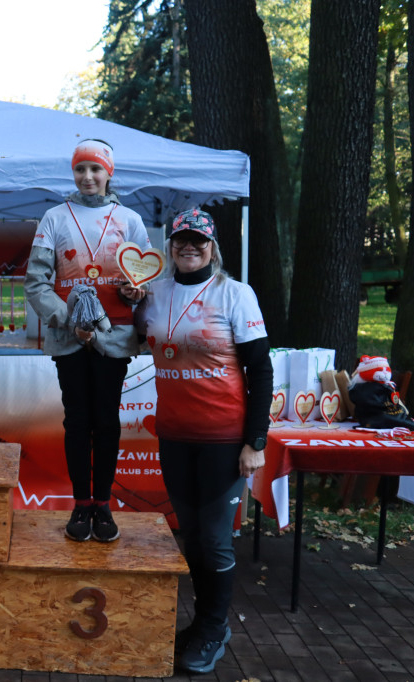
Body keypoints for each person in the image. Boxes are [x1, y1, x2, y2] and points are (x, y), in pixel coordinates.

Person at [134, 208, 271, 674]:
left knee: (213, 540)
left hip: (223, 438)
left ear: (213, 248)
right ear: (169, 246)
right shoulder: (154, 293)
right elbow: (134, 336)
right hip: (174, 435)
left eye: (199, 241)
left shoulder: (235, 294)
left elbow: (261, 370)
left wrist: (256, 440)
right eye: (180, 240)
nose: (189, 247)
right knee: (191, 536)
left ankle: (214, 627)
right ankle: (202, 623)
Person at [24, 139, 149, 543]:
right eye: (81, 169)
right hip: (69, 339)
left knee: (107, 422)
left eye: (96, 169)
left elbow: (144, 278)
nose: (88, 177)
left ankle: (103, 504)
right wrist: (66, 320)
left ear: (109, 172)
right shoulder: (54, 217)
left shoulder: (129, 219)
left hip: (114, 337)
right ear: (73, 173)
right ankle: (81, 504)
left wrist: (136, 292)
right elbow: (36, 283)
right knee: (77, 422)